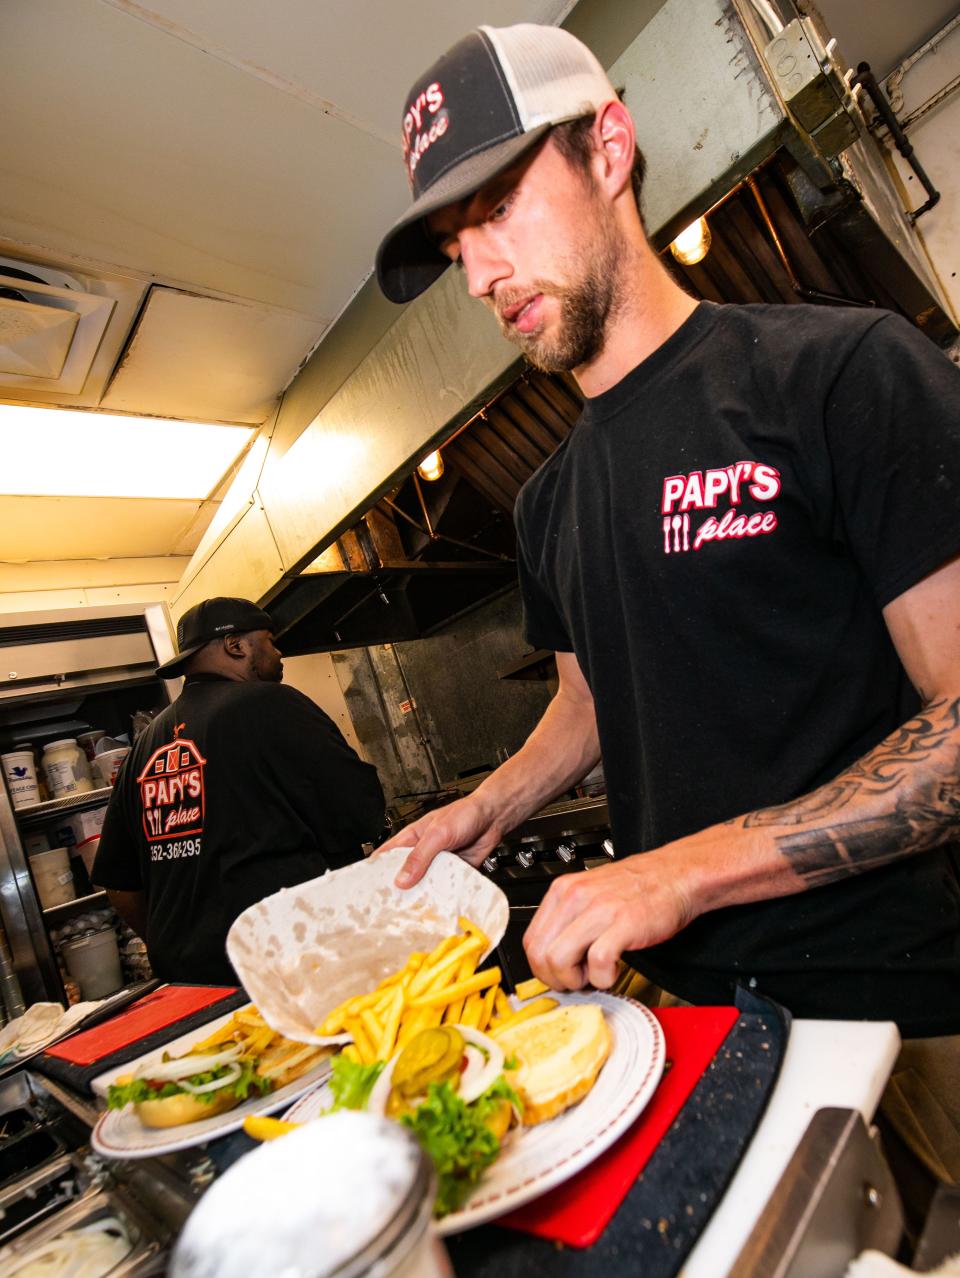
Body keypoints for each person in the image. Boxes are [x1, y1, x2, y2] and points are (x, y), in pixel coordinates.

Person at [374, 23, 960, 1211]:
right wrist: (485, 808)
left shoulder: (840, 374)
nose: (480, 276)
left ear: (611, 144)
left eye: (495, 209)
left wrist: (683, 871)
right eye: (454, 245)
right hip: (689, 1030)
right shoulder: (545, 506)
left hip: (911, 1004)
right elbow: (589, 707)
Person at [93, 597, 385, 985]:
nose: (279, 653)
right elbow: (361, 812)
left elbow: (120, 885)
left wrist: (184, 945)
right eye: (270, 640)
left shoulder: (143, 750)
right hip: (290, 965)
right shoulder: (272, 703)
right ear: (236, 645)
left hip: (191, 981)